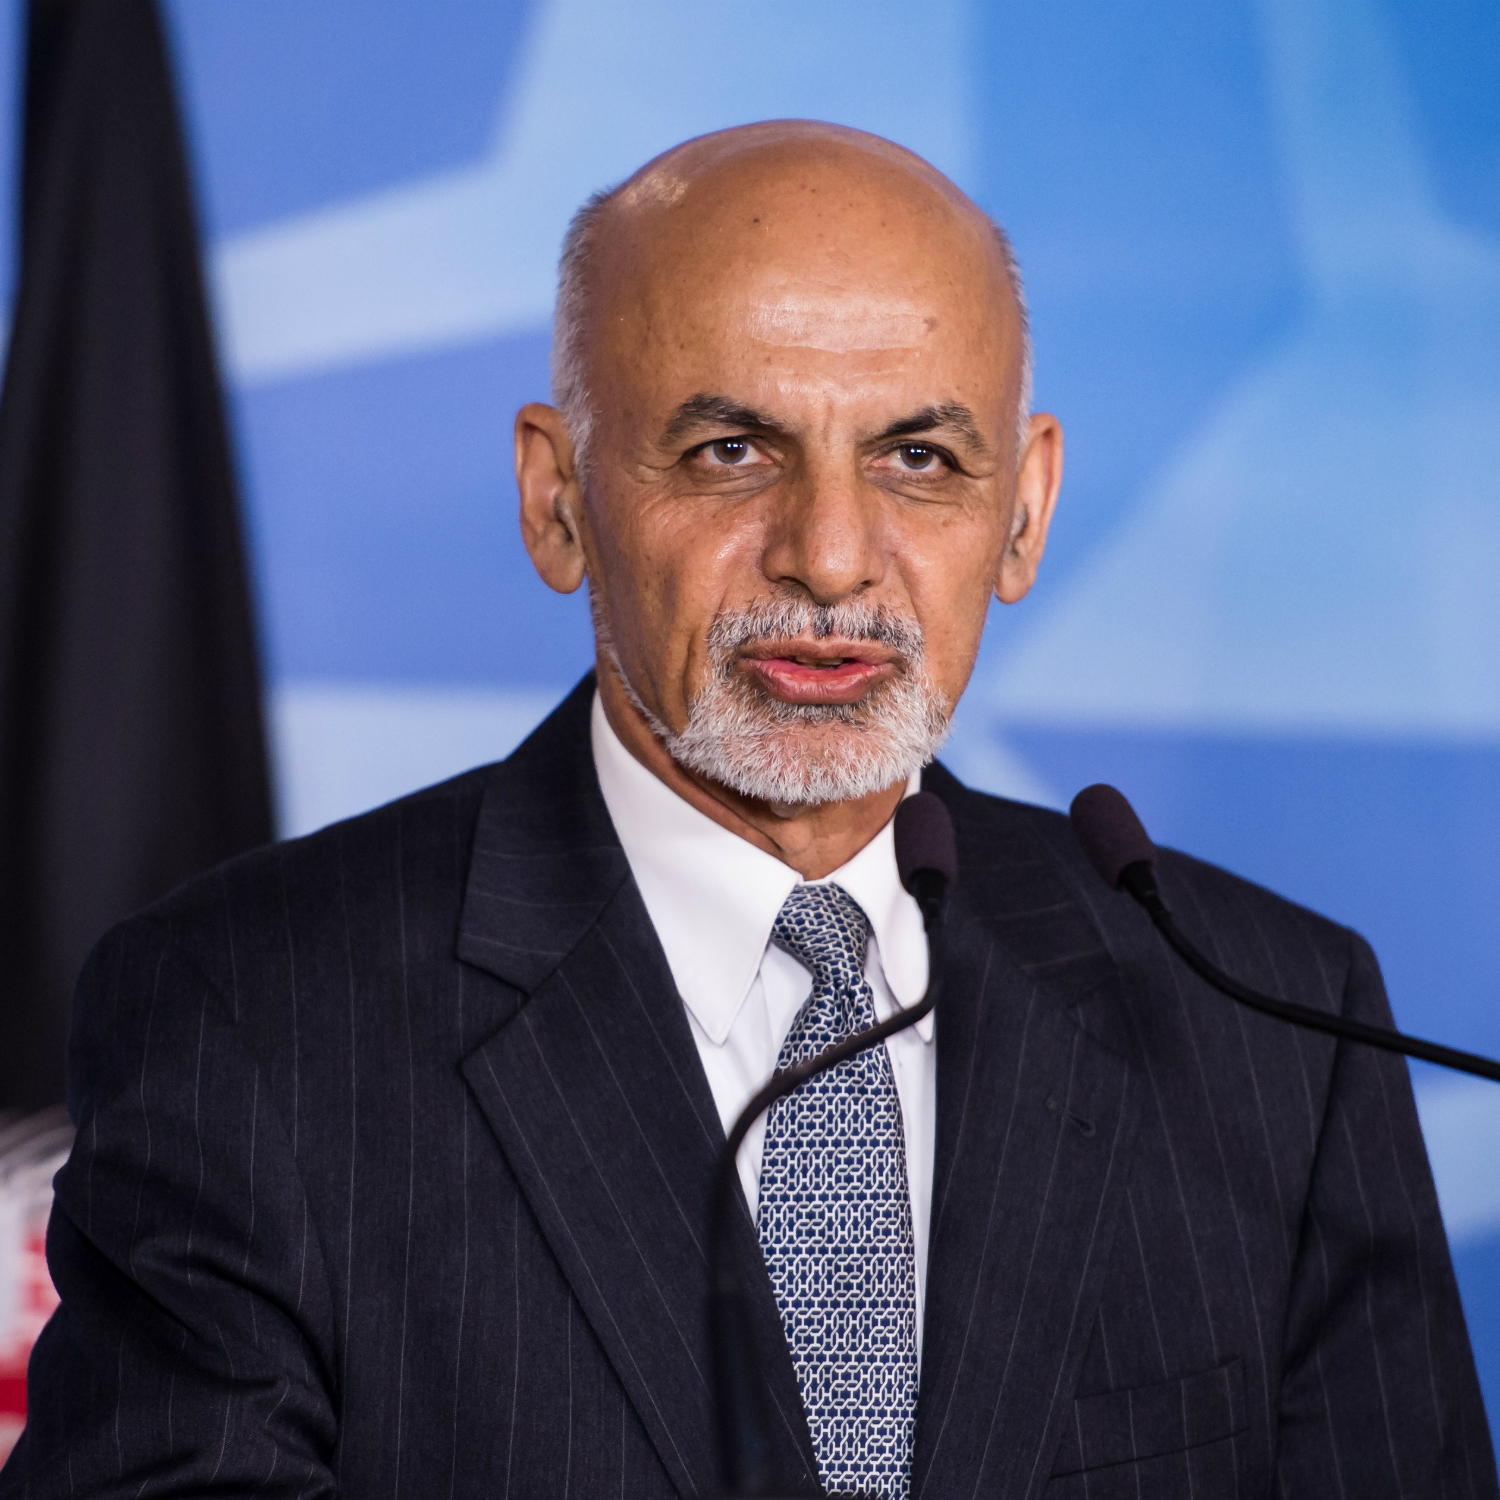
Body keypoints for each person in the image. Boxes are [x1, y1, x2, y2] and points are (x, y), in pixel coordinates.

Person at [2, 120, 1493, 1500]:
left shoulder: (1275, 1034)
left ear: (1025, 511)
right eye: (731, 452)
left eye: (918, 458)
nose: (830, 557)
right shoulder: (247, 1021)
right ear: (559, 499)